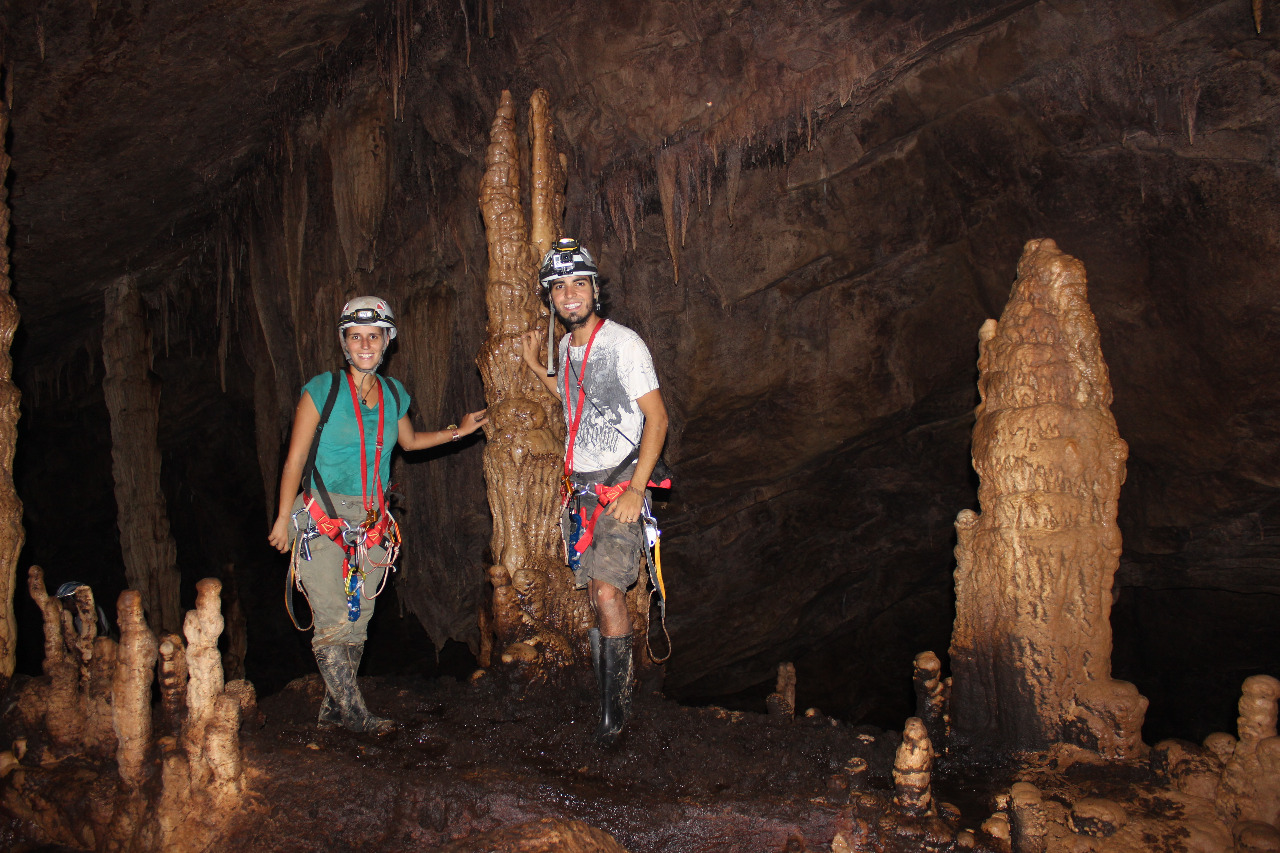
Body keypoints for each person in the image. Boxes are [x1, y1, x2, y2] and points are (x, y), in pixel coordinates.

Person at [268, 296, 487, 734]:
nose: (365, 344)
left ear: (387, 340)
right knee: (333, 615)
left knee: (358, 618)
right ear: (344, 343)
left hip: (372, 520)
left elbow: (408, 444)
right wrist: (280, 518)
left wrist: (458, 430)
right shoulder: (322, 391)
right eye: (355, 336)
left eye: (374, 335)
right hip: (320, 517)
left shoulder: (393, 393)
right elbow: (294, 461)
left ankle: (333, 709)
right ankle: (354, 713)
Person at [520, 238, 669, 746]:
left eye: (578, 284)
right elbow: (574, 396)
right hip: (581, 496)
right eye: (559, 288)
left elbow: (658, 417)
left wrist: (636, 490)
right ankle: (612, 697)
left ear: (594, 290)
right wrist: (535, 368)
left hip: (620, 489)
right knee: (595, 593)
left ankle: (616, 713)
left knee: (607, 590)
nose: (569, 295)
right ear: (552, 299)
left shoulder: (624, 344)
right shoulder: (566, 348)